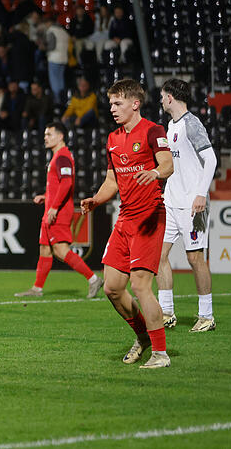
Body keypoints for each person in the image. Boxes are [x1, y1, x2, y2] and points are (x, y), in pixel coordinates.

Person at [81, 79, 174, 369]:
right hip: (125, 218)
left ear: (135, 104)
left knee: (141, 285)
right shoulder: (113, 138)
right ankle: (143, 336)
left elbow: (168, 164)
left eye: (117, 103)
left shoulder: (153, 130)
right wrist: (96, 200)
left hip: (150, 216)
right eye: (110, 104)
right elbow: (112, 180)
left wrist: (155, 174)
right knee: (112, 287)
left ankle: (161, 353)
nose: (112, 109)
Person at [16, 122, 103, 298]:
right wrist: (46, 196)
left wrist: (54, 206)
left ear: (60, 136)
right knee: (45, 250)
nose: (45, 138)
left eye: (49, 134)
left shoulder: (63, 157)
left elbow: (67, 183)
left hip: (59, 212)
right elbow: (58, 185)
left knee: (61, 251)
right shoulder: (58, 157)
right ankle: (37, 288)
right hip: (50, 209)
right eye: (45, 135)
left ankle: (93, 279)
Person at [157, 79, 217, 332]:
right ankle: (166, 312)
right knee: (158, 256)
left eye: (162, 96)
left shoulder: (191, 124)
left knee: (195, 258)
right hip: (171, 201)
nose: (160, 100)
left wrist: (201, 194)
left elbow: (211, 159)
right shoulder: (170, 126)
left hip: (192, 204)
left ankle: (206, 316)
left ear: (170, 97)